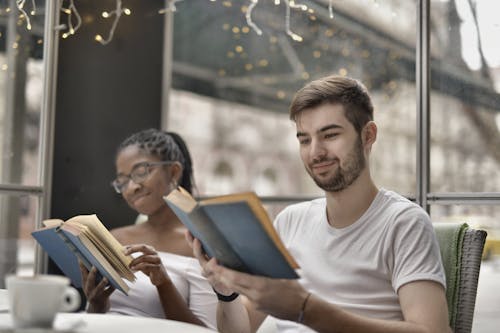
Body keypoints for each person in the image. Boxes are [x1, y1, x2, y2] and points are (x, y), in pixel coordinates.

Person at [189, 76, 451, 332]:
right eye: (304, 140)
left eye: (330, 135)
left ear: (368, 135)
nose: (315, 152)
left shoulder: (404, 223)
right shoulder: (290, 220)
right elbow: (240, 328)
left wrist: (306, 309)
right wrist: (226, 294)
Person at [80, 129, 217, 329]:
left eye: (141, 172)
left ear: (173, 172)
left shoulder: (199, 244)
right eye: (122, 181)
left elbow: (207, 331)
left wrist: (163, 283)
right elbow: (94, 319)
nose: (131, 188)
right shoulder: (113, 238)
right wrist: (96, 304)